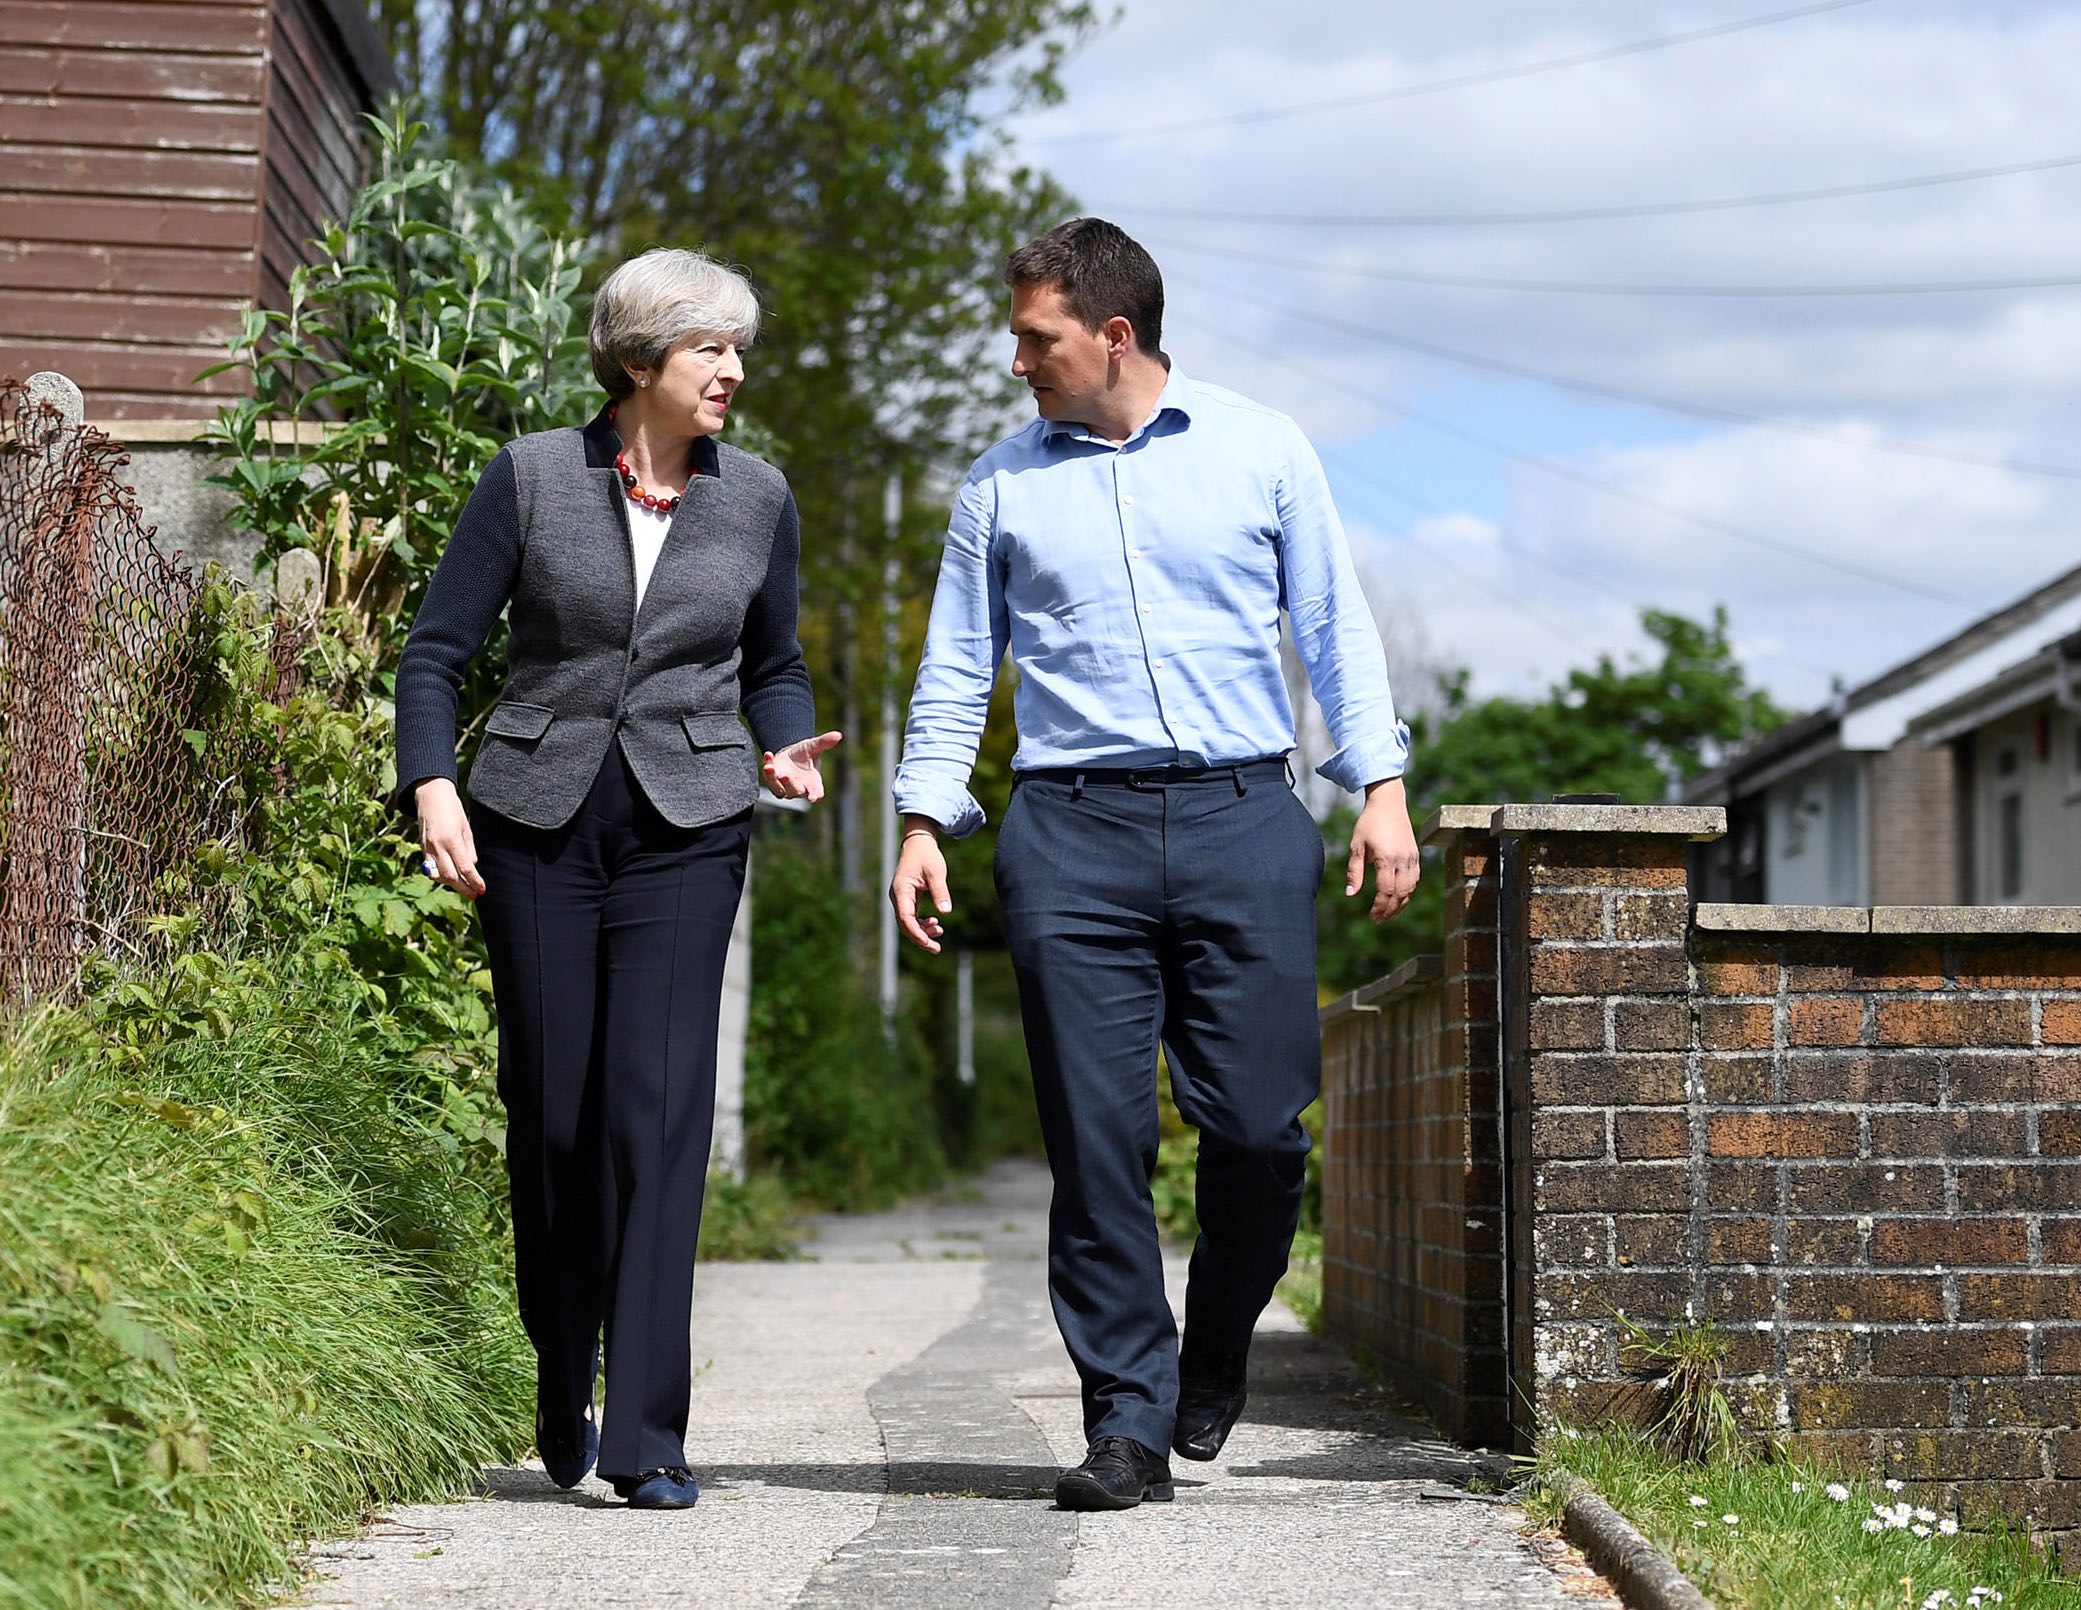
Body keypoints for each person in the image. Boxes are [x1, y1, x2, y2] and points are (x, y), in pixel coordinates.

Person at [888, 218, 1418, 1512]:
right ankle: (1125, 1417)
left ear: (1112, 334)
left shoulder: (1261, 448)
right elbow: (960, 663)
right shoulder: (1000, 486)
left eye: (1035, 336)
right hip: (1070, 831)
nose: (1017, 361)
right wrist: (920, 816)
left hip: (1242, 813)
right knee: (1097, 1139)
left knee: (1258, 1127)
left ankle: (1218, 1339)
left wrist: (1382, 786)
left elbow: (1333, 623)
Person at [395, 247, 839, 1512]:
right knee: (554, 1113)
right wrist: (434, 785)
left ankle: (647, 1430)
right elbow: (436, 653)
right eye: (713, 350)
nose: (735, 372)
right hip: (534, 818)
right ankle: (559, 1362)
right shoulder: (529, 477)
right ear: (642, 357)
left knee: (657, 1113)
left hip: (690, 821)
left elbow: (777, 657)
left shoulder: (756, 498)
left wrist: (782, 739)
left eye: (737, 350)